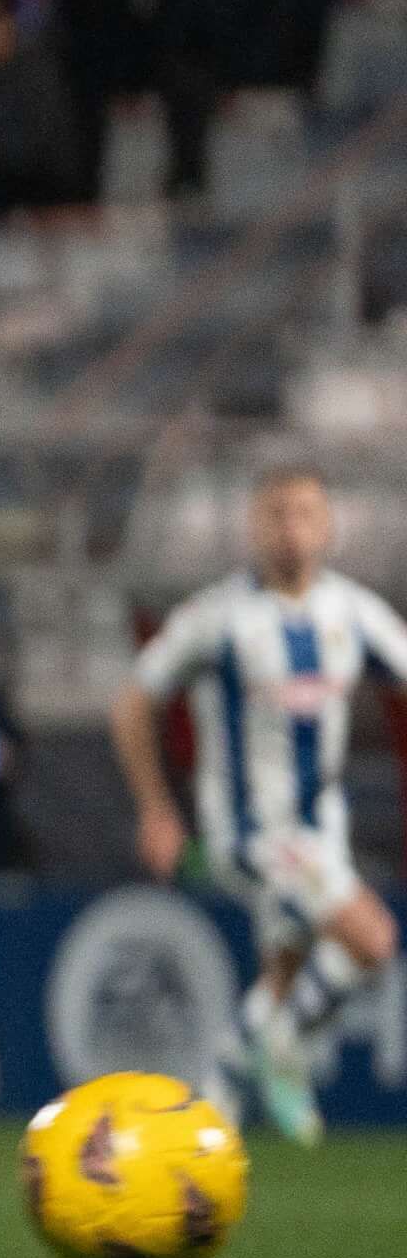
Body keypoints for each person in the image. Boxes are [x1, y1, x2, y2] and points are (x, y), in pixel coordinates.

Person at [108, 461, 407, 1148]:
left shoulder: (352, 612)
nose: (291, 528)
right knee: (374, 939)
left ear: (328, 526)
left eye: (305, 512)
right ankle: (268, 1050)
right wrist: (156, 806)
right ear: (253, 526)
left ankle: (217, 1098)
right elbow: (132, 702)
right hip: (251, 832)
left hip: (322, 831)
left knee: (287, 973)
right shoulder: (218, 618)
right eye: (276, 513)